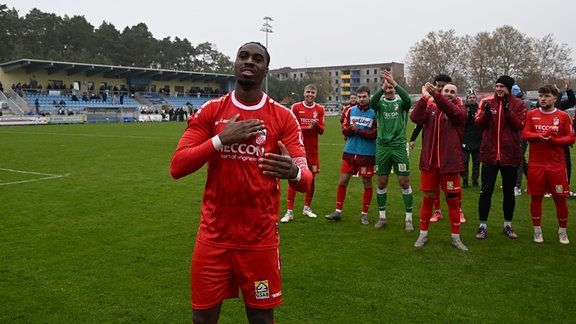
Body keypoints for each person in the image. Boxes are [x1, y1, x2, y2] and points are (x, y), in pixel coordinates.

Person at [169, 41, 312, 324]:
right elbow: (177, 166)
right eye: (243, 56)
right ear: (235, 64)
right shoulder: (211, 110)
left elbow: (305, 180)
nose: (249, 61)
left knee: (261, 320)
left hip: (259, 240)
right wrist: (222, 138)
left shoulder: (283, 117)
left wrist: (292, 172)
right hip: (213, 238)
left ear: (265, 70)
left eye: (257, 58)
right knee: (203, 320)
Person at [410, 81, 468, 251]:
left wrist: (436, 95)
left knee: (452, 201)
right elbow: (415, 118)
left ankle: (455, 238)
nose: (448, 93)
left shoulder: (460, 111)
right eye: (445, 90)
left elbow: (453, 112)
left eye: (452, 91)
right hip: (429, 163)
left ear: (456, 95)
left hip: (449, 164)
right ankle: (423, 234)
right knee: (427, 199)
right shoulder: (431, 109)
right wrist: (424, 98)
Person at [521, 84, 575, 244]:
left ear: (555, 99)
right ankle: (537, 231)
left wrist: (555, 141)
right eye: (541, 96)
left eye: (546, 96)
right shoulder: (531, 114)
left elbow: (571, 138)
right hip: (536, 164)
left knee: (560, 198)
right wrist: (541, 136)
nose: (542, 99)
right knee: (536, 198)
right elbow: (525, 134)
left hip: (556, 165)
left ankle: (562, 232)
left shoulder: (563, 116)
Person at [475, 75, 526, 240]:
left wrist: (507, 110)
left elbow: (519, 126)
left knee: (509, 193)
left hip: (510, 155)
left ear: (509, 88)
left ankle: (507, 226)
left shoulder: (518, 104)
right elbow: (478, 124)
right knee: (486, 191)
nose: (498, 89)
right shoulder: (486, 101)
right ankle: (482, 226)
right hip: (489, 154)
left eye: (502, 86)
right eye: (497, 86)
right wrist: (488, 114)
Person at [369, 70, 414, 231]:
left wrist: (393, 82)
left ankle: (408, 218)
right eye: (387, 89)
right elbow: (372, 102)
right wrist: (383, 86)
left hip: (399, 147)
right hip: (382, 147)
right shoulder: (379, 104)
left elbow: (408, 98)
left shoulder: (402, 103)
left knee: (404, 182)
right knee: (381, 182)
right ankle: (382, 217)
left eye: (391, 89)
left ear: (395, 89)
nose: (389, 91)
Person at [325, 86, 377, 224]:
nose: (361, 99)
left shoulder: (374, 112)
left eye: (364, 96)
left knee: (367, 182)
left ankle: (364, 214)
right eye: (359, 97)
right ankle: (338, 211)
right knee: (343, 181)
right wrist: (351, 130)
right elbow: (344, 130)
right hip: (349, 152)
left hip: (367, 154)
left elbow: (374, 134)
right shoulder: (350, 110)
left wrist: (358, 130)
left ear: (369, 97)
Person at [281, 84, 325, 223]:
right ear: (304, 93)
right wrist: (308, 127)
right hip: (297, 149)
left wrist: (317, 125)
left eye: (312, 92)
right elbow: (292, 127)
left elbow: (322, 131)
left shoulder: (319, 109)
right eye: (308, 92)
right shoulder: (296, 107)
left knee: (311, 180)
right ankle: (289, 211)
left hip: (312, 151)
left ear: (315, 94)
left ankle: (307, 208)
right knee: (294, 177)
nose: (310, 94)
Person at [511, 84, 536, 196]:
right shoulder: (520, 101)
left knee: (518, 159)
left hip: (521, 134)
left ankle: (517, 186)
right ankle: (533, 181)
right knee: (521, 160)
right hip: (515, 134)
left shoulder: (525, 103)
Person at [461, 90, 482, 188]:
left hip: (477, 139)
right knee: (464, 161)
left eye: (473, 97)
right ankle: (465, 180)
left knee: (476, 162)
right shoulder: (463, 108)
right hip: (465, 139)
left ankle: (475, 180)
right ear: (467, 99)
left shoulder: (479, 109)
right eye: (470, 97)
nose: (472, 99)